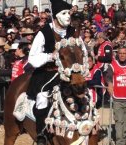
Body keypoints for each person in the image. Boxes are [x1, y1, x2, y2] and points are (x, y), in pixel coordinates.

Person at [26, 0, 78, 144]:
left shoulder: (72, 31)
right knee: (42, 97)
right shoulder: (44, 33)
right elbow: (32, 58)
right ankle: (41, 133)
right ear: (55, 16)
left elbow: (81, 50)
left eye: (69, 13)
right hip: (47, 73)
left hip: (68, 72)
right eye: (64, 13)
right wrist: (50, 56)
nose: (68, 16)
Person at [105, 46, 126, 145]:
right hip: (117, 99)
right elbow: (108, 76)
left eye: (124, 53)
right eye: (120, 53)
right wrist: (109, 84)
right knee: (119, 122)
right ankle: (119, 142)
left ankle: (123, 139)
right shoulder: (113, 65)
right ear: (118, 54)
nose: (122, 55)